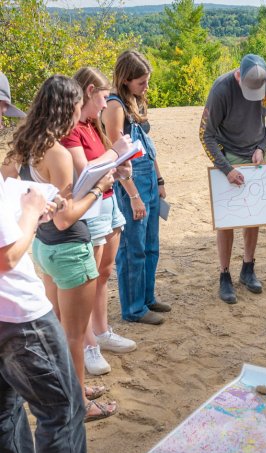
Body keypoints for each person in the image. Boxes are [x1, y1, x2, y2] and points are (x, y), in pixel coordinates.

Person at [1, 75, 118, 422]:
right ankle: (79, 402)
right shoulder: (59, 153)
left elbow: (10, 197)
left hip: (42, 249)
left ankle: (73, 388)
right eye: (79, 108)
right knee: (74, 335)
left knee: (61, 327)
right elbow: (67, 218)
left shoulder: (20, 147)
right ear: (69, 109)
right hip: (69, 248)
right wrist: (98, 189)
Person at [0, 74, 87, 453]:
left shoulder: (15, 155)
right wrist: (34, 208)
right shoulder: (53, 152)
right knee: (62, 411)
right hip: (19, 313)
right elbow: (7, 256)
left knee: (5, 406)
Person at [61, 67, 137, 376]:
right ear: (89, 91)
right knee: (89, 277)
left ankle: (102, 330)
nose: (106, 105)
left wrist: (121, 168)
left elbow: (103, 161)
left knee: (105, 272)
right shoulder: (71, 128)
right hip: (90, 207)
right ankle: (89, 343)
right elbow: (83, 170)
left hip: (108, 201)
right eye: (104, 97)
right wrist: (115, 154)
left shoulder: (92, 124)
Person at [199, 53, 266, 304]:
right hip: (228, 154)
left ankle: (248, 267)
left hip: (256, 153)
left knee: (253, 214)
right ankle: (224, 274)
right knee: (227, 219)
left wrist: (262, 146)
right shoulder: (221, 89)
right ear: (238, 75)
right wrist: (226, 169)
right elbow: (206, 135)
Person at [101, 50, 170, 326]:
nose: (146, 87)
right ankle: (133, 308)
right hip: (132, 182)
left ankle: (148, 297)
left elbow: (148, 149)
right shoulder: (115, 106)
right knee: (133, 247)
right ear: (126, 79)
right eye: (142, 82)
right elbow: (119, 156)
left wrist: (160, 180)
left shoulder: (136, 102)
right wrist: (134, 196)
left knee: (151, 244)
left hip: (149, 178)